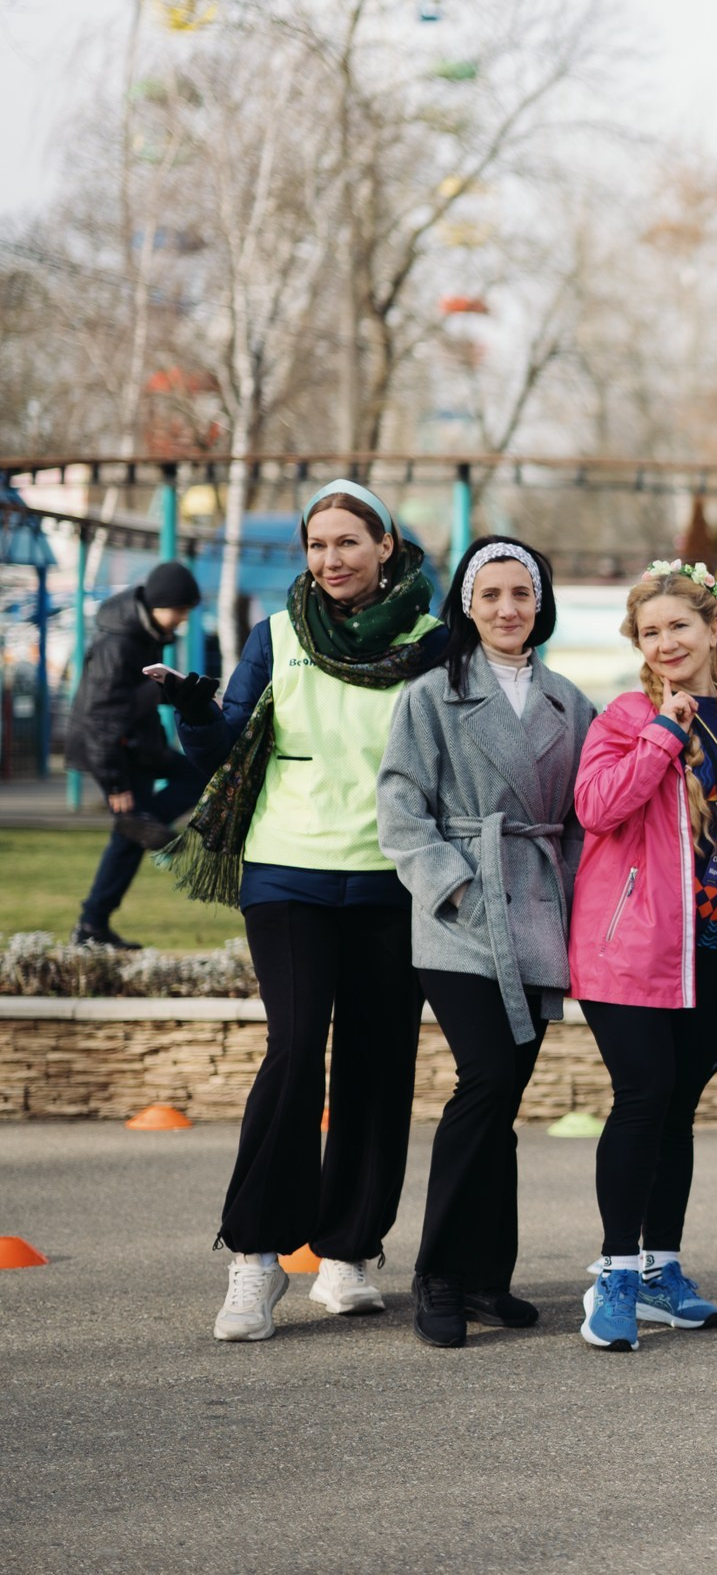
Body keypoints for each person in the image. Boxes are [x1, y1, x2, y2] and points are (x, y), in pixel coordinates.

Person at [166, 481, 445, 1343]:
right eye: (318, 544)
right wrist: (188, 705)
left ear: (385, 546)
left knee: (378, 1057)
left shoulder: (435, 642)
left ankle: (349, 1250)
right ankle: (254, 1256)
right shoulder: (277, 634)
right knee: (294, 1052)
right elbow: (223, 744)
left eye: (348, 542)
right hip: (288, 874)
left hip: (393, 879)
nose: (331, 559)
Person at [375, 537, 594, 1348]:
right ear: (466, 605)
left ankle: (485, 1278)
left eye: (521, 594)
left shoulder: (573, 703)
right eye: (491, 594)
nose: (507, 608)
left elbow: (584, 817)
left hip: (539, 911)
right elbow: (400, 804)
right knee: (486, 1079)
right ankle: (436, 1273)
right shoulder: (433, 693)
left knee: (502, 1102)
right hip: (462, 918)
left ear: (541, 603)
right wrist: (452, 884)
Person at [568, 560, 717, 1353]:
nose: (665, 642)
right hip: (630, 949)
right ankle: (615, 1273)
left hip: (712, 951)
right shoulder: (625, 716)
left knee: (676, 1109)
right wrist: (663, 734)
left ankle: (661, 1269)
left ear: (713, 627)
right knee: (643, 1096)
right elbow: (596, 806)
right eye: (650, 632)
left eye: (679, 625)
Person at [68, 560, 205, 949]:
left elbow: (140, 694)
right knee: (127, 839)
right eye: (179, 611)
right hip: (117, 754)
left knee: (195, 775)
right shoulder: (118, 643)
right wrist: (115, 783)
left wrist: (186, 690)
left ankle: (144, 828)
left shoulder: (145, 634)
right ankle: (91, 925)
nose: (182, 620)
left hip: (141, 745)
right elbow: (100, 718)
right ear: (160, 604)